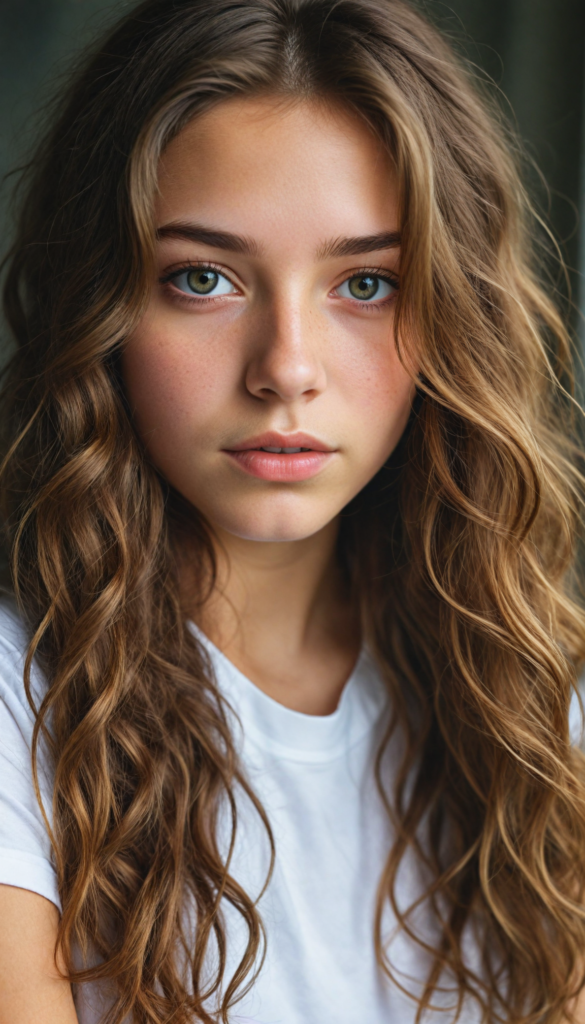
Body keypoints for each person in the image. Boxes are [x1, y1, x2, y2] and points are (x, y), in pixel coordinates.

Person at [0, 0, 584, 1021]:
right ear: (100, 304)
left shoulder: (534, 699)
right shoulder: (20, 698)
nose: (287, 370)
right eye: (204, 277)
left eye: (364, 282)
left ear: (456, 313)